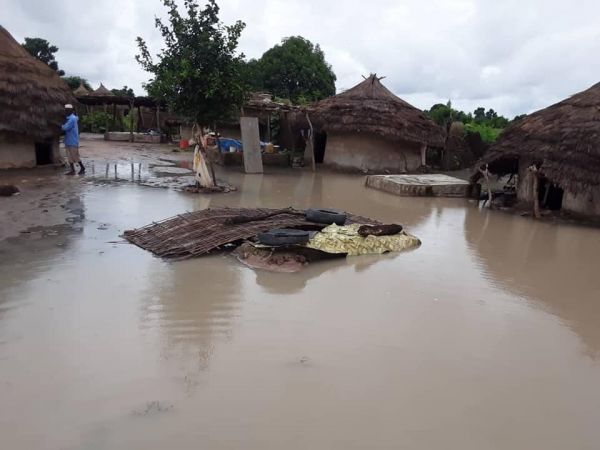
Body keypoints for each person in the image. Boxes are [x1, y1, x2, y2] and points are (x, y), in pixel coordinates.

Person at [61, 104, 85, 175]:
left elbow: (65, 128)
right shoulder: (69, 118)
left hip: (73, 140)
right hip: (68, 140)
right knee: (69, 156)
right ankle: (72, 170)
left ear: (71, 111)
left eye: (67, 110)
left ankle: (82, 168)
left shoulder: (72, 119)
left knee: (75, 156)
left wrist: (61, 125)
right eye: (65, 110)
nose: (66, 111)